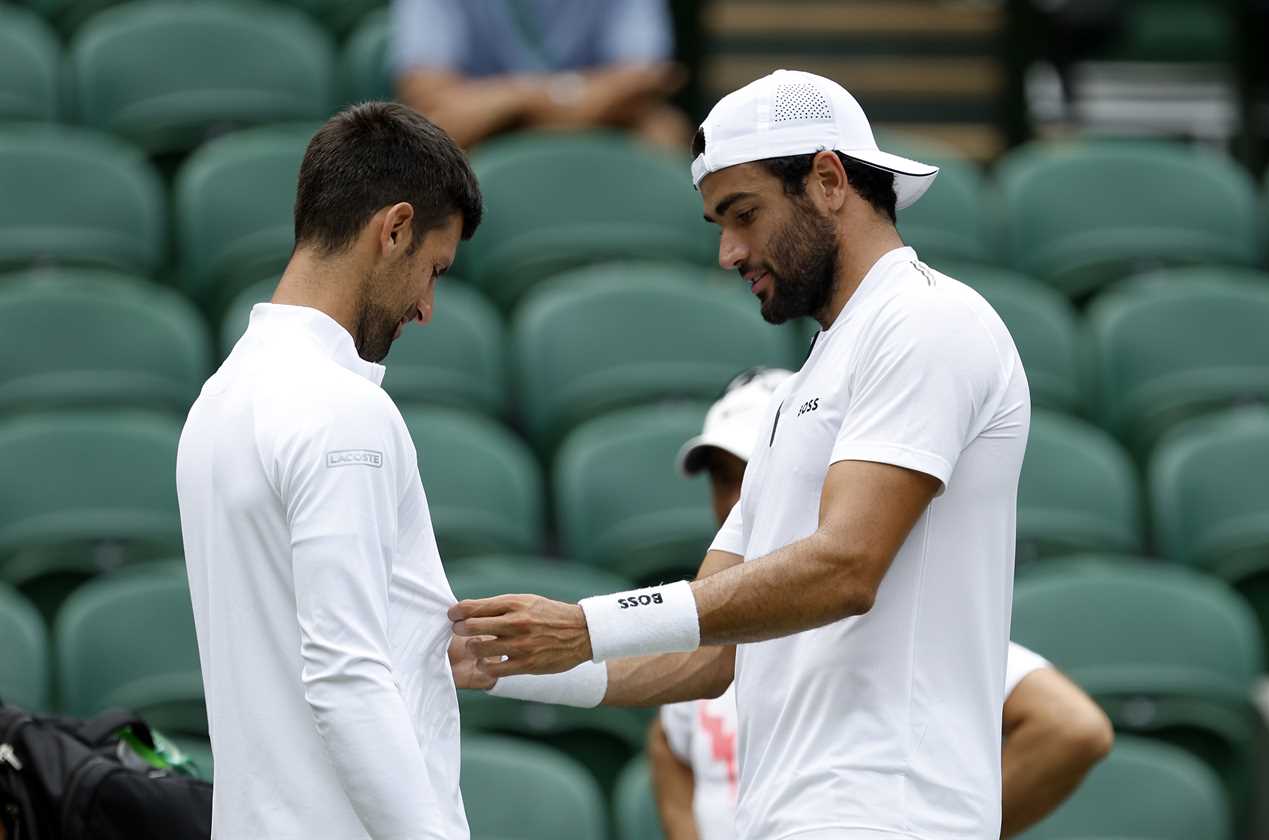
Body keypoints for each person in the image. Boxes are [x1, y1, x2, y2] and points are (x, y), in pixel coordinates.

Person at [450, 68, 1031, 840]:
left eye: (744, 214)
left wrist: (588, 623)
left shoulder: (927, 321)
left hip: (891, 816)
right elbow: (709, 655)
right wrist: (503, 661)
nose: (728, 252)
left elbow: (847, 567)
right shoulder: (806, 384)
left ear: (829, 180)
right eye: (719, 223)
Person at [176, 102, 483, 840]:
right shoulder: (342, 410)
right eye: (433, 270)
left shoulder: (216, 400)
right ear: (395, 229)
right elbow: (345, 676)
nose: (428, 308)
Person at [650, 368, 1113, 840]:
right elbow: (671, 742)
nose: (737, 501)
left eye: (756, 477)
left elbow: (1071, 727)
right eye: (723, 479)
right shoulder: (711, 627)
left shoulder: (893, 620)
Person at [390, 0, 689, 149]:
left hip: (605, 119)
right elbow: (428, 95)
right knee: (433, 131)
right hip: (484, 133)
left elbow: (646, 78)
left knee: (664, 129)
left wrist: (520, 102)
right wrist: (562, 97)